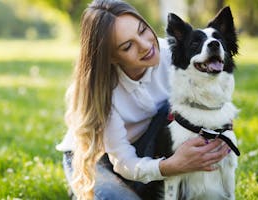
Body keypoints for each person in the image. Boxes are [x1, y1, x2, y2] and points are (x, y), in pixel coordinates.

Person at [56, 0, 231, 199]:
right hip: (96, 158)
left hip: (151, 145)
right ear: (112, 58)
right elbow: (124, 161)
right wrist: (171, 166)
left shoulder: (175, 56)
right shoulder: (103, 90)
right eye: (128, 46)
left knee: (171, 107)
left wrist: (218, 119)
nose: (145, 45)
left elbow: (215, 91)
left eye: (142, 30)